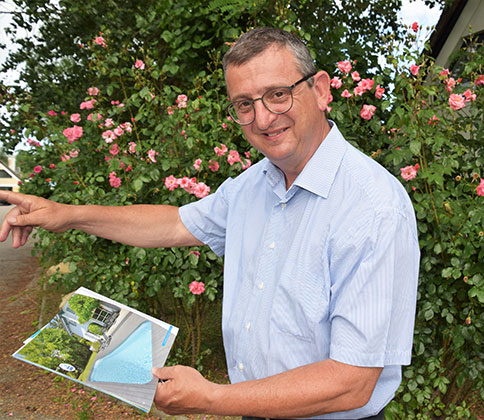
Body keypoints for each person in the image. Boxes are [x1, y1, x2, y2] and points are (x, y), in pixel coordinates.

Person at [0, 27, 419, 419]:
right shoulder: (253, 185)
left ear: (321, 89)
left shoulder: (373, 206)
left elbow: (351, 382)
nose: (262, 118)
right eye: (244, 104)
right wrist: (68, 214)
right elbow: (173, 224)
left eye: (277, 94)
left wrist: (211, 397)